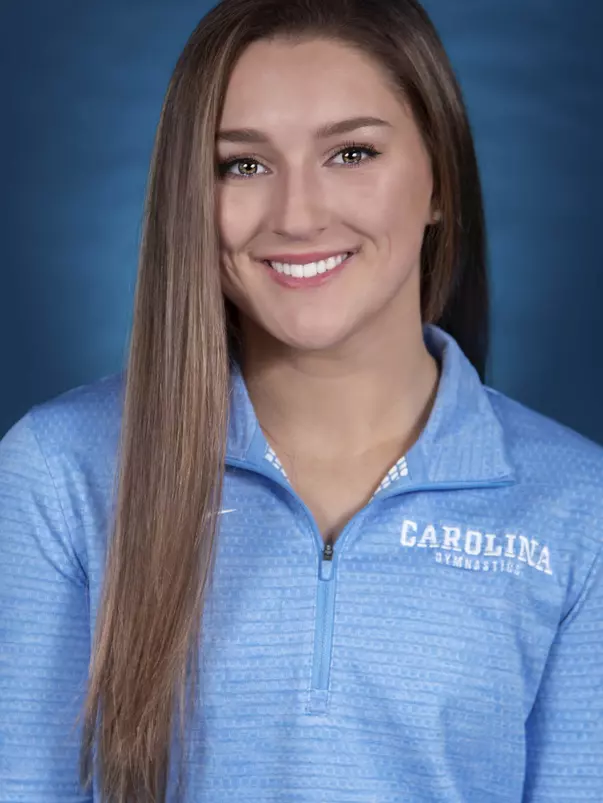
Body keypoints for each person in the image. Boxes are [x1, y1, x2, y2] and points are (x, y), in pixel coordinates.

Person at [1, 0, 602, 800]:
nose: (296, 215)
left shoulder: (578, 510)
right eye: (242, 165)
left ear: (439, 185)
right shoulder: (58, 473)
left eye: (351, 153)